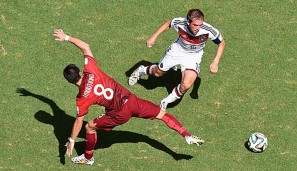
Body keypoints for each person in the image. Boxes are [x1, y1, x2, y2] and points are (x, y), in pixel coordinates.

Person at [52, 29, 204, 165]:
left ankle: (88, 157)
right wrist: (66, 37)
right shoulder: (91, 70)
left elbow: (79, 121)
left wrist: (71, 140)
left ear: (70, 82)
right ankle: (187, 136)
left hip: (119, 114)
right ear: (80, 72)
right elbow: (85, 46)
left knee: (89, 127)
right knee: (162, 114)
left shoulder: (82, 98)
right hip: (132, 101)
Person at [128, 8, 226, 111]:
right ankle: (141, 70)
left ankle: (165, 102)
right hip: (176, 51)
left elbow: (221, 43)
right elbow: (169, 23)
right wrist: (154, 36)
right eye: (195, 25)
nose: (198, 28)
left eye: (200, 24)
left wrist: (215, 62)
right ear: (188, 22)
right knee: (157, 73)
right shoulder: (180, 23)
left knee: (186, 84)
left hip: (193, 57)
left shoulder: (208, 30)